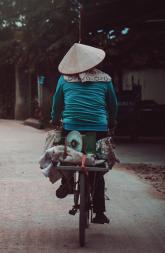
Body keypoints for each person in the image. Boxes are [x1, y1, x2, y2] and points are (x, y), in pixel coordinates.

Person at [50, 43, 118, 224]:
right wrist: (111, 122)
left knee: (67, 157)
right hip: (98, 130)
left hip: (72, 129)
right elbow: (113, 105)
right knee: (97, 166)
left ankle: (67, 182)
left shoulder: (64, 79)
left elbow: (57, 104)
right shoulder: (105, 79)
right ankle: (99, 212)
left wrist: (54, 118)